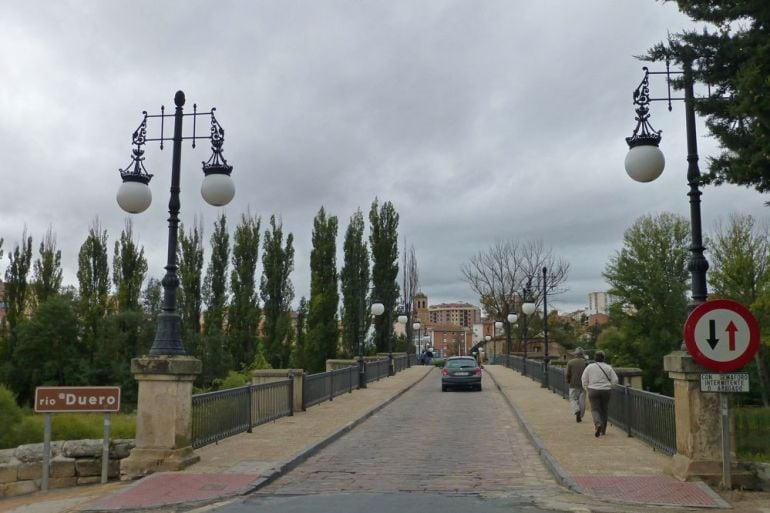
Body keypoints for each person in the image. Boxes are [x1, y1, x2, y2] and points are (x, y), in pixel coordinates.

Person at [581, 350, 619, 437]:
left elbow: (584, 379)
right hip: (606, 390)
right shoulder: (608, 367)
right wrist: (610, 386)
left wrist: (587, 388)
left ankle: (598, 424)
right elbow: (615, 380)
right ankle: (603, 430)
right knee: (604, 410)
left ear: (595, 358)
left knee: (595, 409)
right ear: (603, 358)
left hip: (593, 390)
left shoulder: (590, 367)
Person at [565, 347, 587, 423]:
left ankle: (576, 410)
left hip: (573, 383)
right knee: (582, 400)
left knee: (573, 398)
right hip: (583, 384)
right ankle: (580, 415)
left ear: (575, 354)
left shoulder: (570, 362)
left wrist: (567, 380)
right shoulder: (586, 363)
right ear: (582, 354)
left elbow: (567, 373)